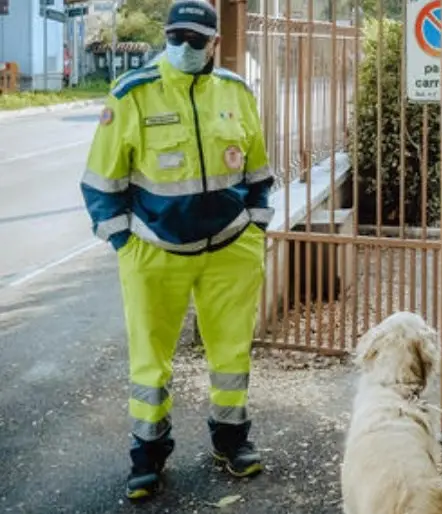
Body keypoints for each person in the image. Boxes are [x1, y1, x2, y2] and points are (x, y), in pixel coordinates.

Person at [79, 0, 274, 500]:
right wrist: (125, 241)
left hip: (230, 249)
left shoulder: (235, 92)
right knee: (150, 361)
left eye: (195, 40)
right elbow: (101, 182)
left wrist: (255, 226)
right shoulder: (132, 94)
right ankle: (147, 457)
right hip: (154, 254)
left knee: (231, 355)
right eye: (176, 38)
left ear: (215, 44)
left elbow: (257, 172)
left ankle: (231, 441)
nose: (184, 48)